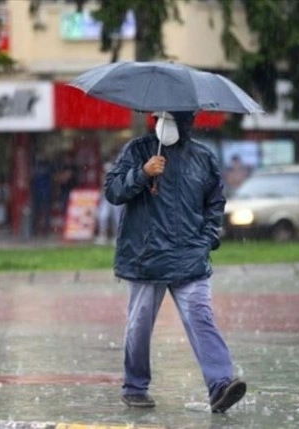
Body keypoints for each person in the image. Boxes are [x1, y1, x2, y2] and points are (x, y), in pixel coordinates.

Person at [104, 111, 246, 413]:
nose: (166, 125)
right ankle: (135, 386)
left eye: (174, 119)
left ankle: (220, 384)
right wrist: (143, 173)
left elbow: (214, 202)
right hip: (146, 257)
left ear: (187, 122)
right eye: (161, 118)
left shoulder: (202, 158)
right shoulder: (137, 150)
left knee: (201, 316)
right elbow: (113, 191)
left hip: (189, 257)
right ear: (153, 119)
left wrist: (207, 239)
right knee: (139, 325)